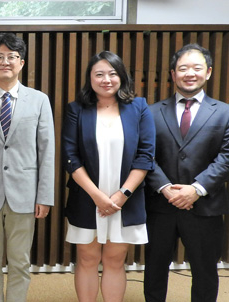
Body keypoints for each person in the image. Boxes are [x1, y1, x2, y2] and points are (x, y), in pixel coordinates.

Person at [0, 33, 54, 302]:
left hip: (25, 195)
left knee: (20, 261)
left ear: (22, 63)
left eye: (12, 57)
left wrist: (45, 196)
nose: (6, 61)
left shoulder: (39, 100)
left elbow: (47, 151)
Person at [62, 51, 155, 302]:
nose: (107, 79)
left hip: (126, 198)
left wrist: (121, 196)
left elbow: (146, 156)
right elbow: (70, 157)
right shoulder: (76, 109)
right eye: (99, 74)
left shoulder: (139, 107)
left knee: (115, 259)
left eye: (113, 73)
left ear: (121, 77)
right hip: (87, 197)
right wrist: (98, 197)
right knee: (87, 258)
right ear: (90, 79)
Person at [144, 43, 229, 302]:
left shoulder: (225, 113)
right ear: (173, 74)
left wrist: (196, 189)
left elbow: (226, 157)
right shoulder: (151, 111)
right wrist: (165, 188)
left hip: (205, 206)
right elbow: (145, 155)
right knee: (155, 270)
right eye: (183, 68)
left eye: (196, 68)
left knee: (205, 271)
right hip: (161, 204)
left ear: (208, 72)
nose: (189, 73)